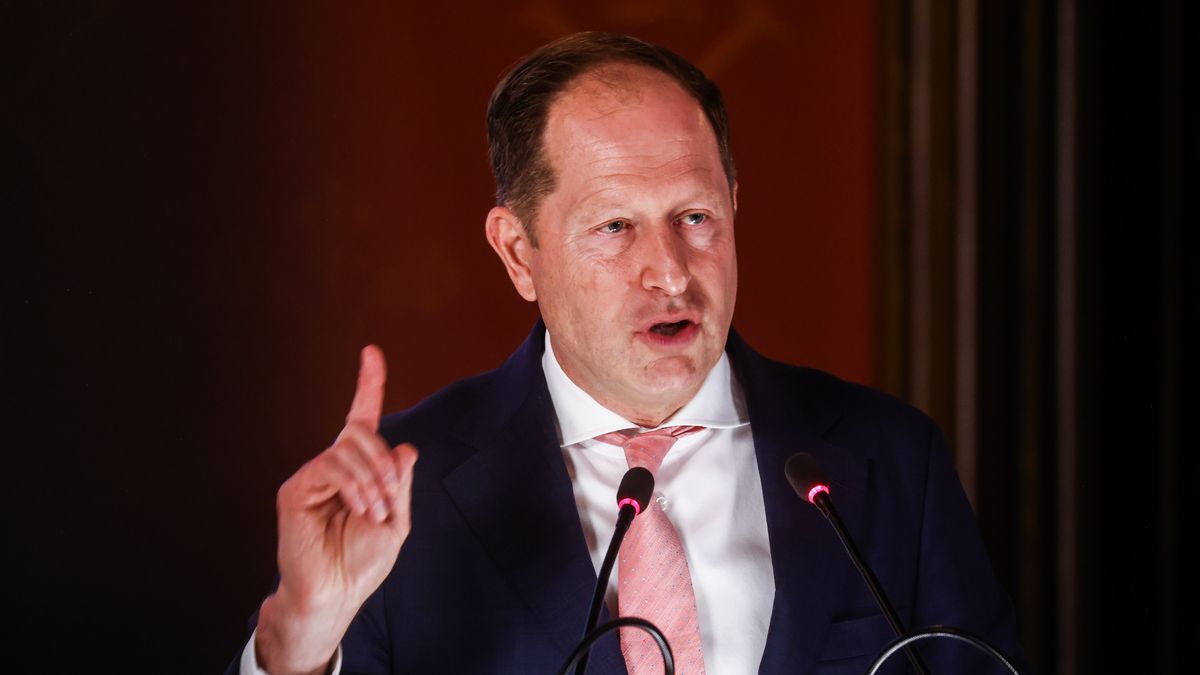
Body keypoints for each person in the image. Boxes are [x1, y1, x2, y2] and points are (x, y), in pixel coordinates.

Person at [231, 32, 1027, 675]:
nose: (671, 272)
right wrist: (297, 644)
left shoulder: (891, 461)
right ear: (518, 253)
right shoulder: (399, 496)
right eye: (615, 227)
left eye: (696, 217)